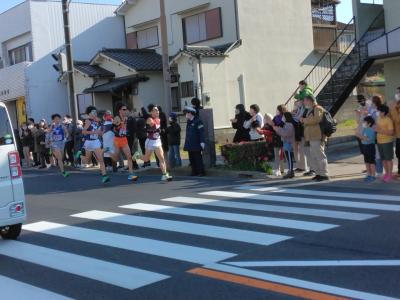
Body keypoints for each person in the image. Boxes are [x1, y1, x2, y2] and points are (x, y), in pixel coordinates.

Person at [300, 95, 329, 181]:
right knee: (314, 156)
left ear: (310, 101)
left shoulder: (318, 108)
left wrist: (304, 120)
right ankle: (318, 173)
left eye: (305, 101)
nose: (304, 103)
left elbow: (317, 119)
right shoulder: (310, 110)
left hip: (317, 136)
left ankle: (324, 174)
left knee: (320, 155)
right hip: (311, 137)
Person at [141, 104, 172, 181]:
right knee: (146, 159)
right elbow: (152, 125)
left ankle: (164, 175)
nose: (157, 111)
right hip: (150, 142)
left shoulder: (158, 119)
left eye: (158, 110)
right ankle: (137, 156)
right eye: (155, 110)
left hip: (157, 141)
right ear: (151, 112)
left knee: (162, 158)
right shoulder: (149, 119)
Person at [82, 106, 109, 183]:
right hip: (88, 142)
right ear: (89, 114)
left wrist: (101, 132)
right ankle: (80, 154)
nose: (95, 113)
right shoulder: (88, 121)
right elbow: (83, 132)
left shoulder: (98, 121)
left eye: (95, 112)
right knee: (87, 161)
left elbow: (101, 129)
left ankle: (104, 176)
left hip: (96, 141)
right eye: (93, 112)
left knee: (101, 159)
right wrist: (94, 132)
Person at [112, 103, 138, 181]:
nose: (125, 110)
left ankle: (131, 174)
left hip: (124, 139)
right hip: (117, 140)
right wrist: (118, 126)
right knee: (115, 157)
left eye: (126, 109)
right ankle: (112, 161)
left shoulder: (126, 118)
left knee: (129, 156)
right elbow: (112, 129)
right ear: (119, 110)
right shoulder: (117, 118)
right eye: (124, 109)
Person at [183, 106, 206, 176]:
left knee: (197, 158)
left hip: (196, 143)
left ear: (190, 113)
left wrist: (202, 142)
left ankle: (201, 172)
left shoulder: (198, 121)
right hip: (190, 143)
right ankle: (194, 171)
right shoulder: (189, 121)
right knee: (191, 159)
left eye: (186, 113)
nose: (185, 115)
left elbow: (201, 132)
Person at [274, 112, 296, 179]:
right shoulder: (286, 124)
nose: (282, 118)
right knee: (288, 158)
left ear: (286, 117)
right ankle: (290, 171)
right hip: (286, 142)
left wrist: (278, 129)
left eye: (283, 116)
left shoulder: (289, 125)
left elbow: (286, 133)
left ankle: (290, 171)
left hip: (288, 143)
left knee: (289, 158)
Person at [375, 104, 394, 182]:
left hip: (387, 142)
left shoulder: (388, 120)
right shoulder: (378, 118)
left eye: (380, 111)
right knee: (383, 159)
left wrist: (380, 131)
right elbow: (376, 128)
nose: (378, 112)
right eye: (378, 111)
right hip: (379, 141)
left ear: (384, 112)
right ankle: (386, 173)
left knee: (388, 159)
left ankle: (390, 175)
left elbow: (391, 132)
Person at [357, 116, 376, 182]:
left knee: (371, 162)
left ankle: (373, 175)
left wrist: (361, 136)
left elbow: (368, 139)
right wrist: (361, 136)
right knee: (367, 162)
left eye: (365, 122)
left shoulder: (371, 130)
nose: (363, 123)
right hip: (364, 146)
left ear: (369, 123)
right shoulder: (364, 129)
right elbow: (362, 137)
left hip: (370, 146)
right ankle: (369, 174)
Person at [292, 100, 308, 173]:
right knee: (297, 150)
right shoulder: (297, 110)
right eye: (295, 103)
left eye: (297, 103)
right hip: (296, 131)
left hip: (301, 131)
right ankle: (299, 166)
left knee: (302, 150)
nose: (296, 104)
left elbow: (299, 119)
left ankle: (303, 167)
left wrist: (293, 117)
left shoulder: (304, 109)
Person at [271, 105, 287, 176]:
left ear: (280, 110)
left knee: (280, 154)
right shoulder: (277, 117)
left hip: (280, 136)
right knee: (279, 154)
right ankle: (280, 169)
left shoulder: (281, 117)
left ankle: (280, 169)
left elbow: (279, 125)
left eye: (277, 110)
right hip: (280, 137)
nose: (276, 111)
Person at [389, 89, 400, 175]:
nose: (396, 94)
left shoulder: (396, 107)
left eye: (398, 92)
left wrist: (393, 108)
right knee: (398, 153)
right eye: (396, 92)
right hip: (397, 135)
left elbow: (397, 119)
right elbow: (390, 117)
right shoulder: (395, 105)